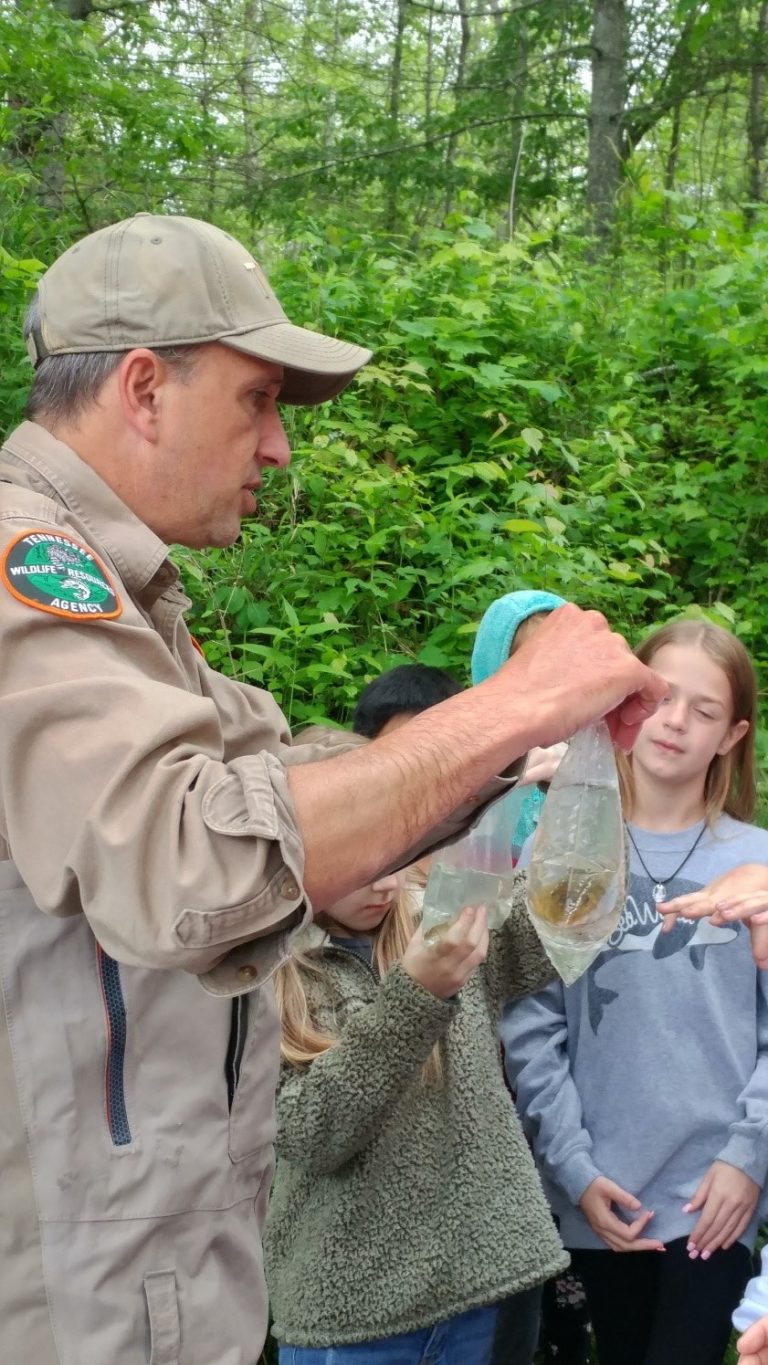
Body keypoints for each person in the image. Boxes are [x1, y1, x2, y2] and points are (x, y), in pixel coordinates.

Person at [0, 211, 666, 1364]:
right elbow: (187, 857)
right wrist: (512, 702)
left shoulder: (132, 612)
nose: (280, 449)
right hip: (68, 1299)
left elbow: (289, 782)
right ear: (145, 387)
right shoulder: (28, 573)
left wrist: (517, 749)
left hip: (132, 1280)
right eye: (259, 401)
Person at [502, 618, 768, 1365]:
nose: (675, 721)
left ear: (731, 735)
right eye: (661, 696)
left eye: (705, 709)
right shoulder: (561, 847)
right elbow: (529, 1023)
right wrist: (575, 1169)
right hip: (598, 1193)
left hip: (714, 1195)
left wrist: (749, 1157)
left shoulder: (757, 864)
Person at [263, 852, 567, 1365]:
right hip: (350, 1320)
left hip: (491, 1284)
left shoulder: (447, 919)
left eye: (399, 855)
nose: (385, 882)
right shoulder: (255, 972)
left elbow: (565, 910)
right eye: (361, 862)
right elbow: (314, 1134)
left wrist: (576, 792)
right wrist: (419, 992)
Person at [471, 589, 591, 1365]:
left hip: (586, 1078)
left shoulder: (604, 783)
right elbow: (454, 920)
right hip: (494, 1094)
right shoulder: (467, 787)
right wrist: (508, 792)